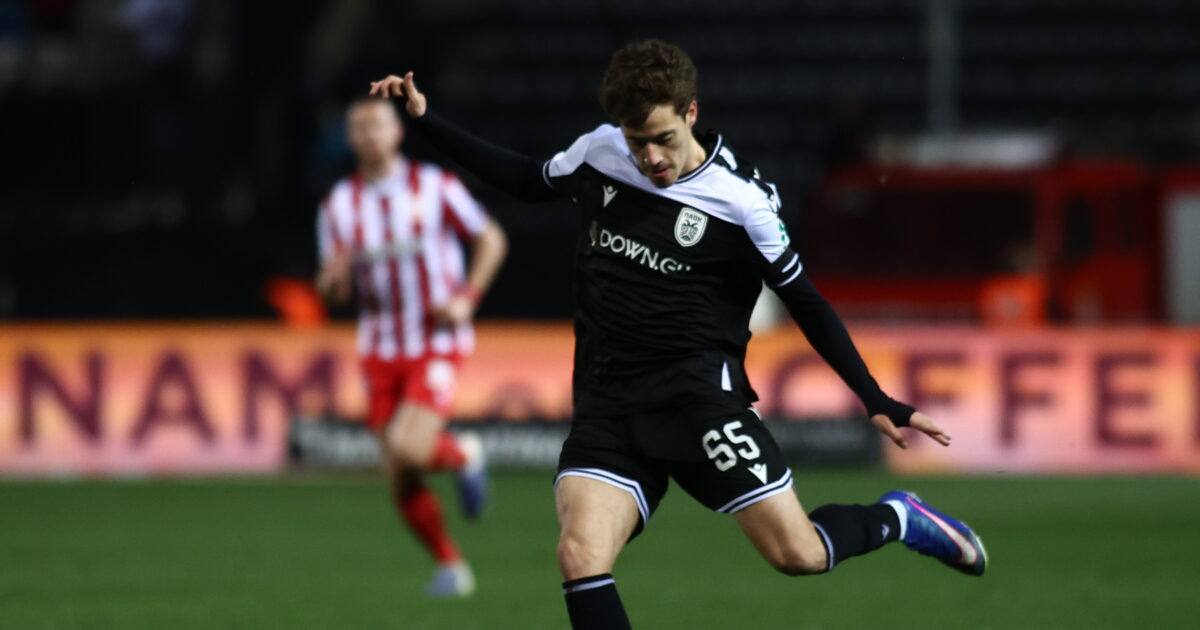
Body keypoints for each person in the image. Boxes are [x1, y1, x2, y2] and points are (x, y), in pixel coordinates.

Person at [369, 39, 986, 628]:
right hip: (610, 406)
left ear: (691, 112)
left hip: (699, 404)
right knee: (580, 554)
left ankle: (899, 517)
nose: (651, 158)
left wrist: (874, 397)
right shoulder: (600, 152)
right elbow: (529, 180)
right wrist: (425, 121)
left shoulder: (742, 203)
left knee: (799, 554)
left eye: (663, 139)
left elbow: (807, 303)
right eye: (637, 142)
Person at [315, 96, 508, 598]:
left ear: (398, 132)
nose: (368, 134)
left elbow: (491, 239)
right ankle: (451, 566)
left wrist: (467, 298)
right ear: (350, 139)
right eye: (358, 127)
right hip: (380, 346)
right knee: (400, 471)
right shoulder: (339, 205)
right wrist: (331, 283)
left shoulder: (435, 186)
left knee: (406, 446)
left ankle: (464, 454)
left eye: (377, 124)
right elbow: (332, 290)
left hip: (435, 338)